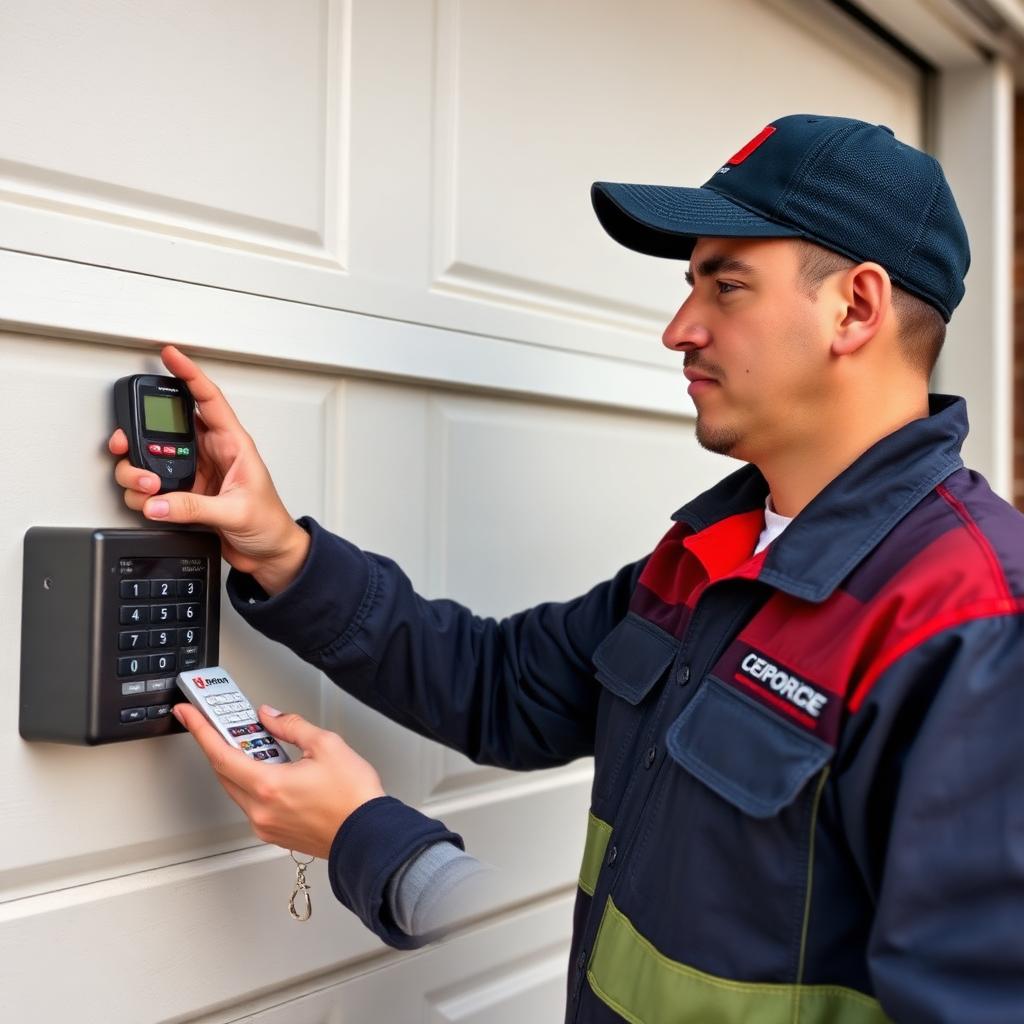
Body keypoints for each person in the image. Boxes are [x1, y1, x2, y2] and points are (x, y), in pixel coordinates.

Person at [108, 113, 1024, 1023]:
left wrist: (366, 837)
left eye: (727, 285)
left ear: (855, 308)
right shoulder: (707, 559)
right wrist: (282, 551)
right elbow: (502, 686)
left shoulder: (973, 627)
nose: (678, 329)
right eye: (688, 286)